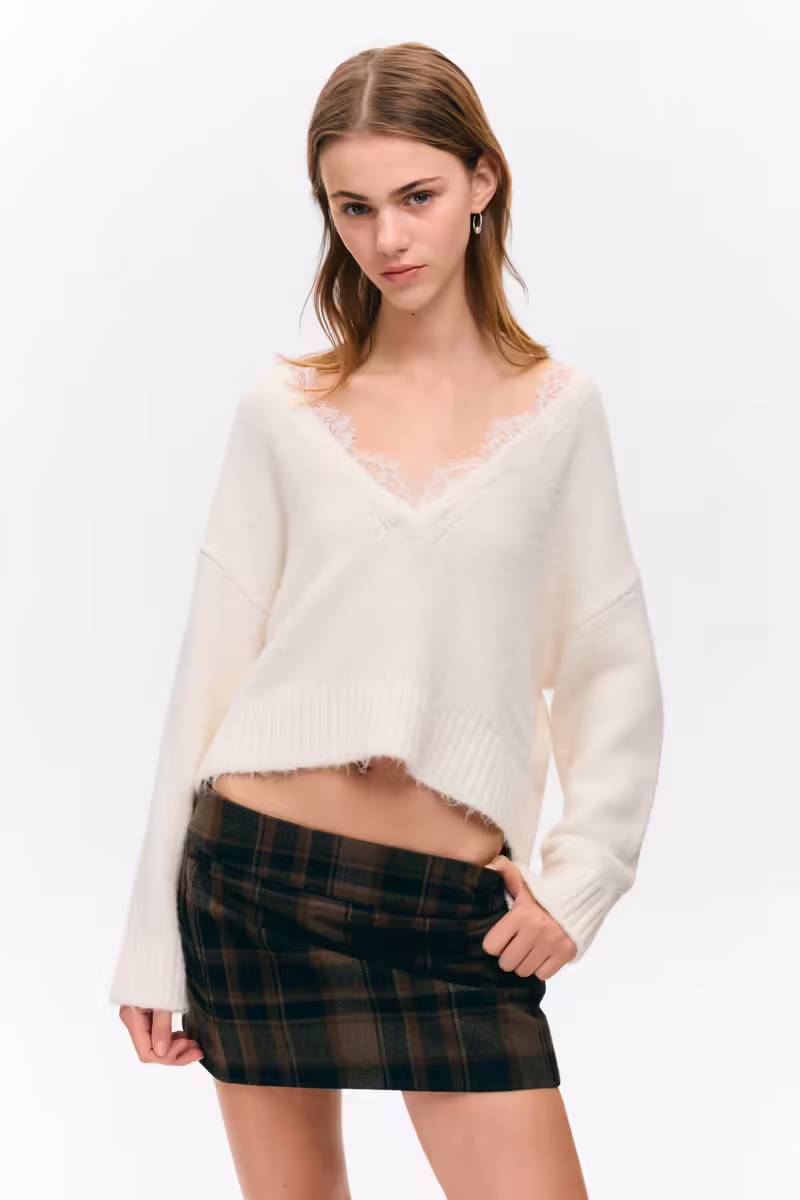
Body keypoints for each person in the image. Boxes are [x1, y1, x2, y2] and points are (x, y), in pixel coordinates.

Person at [110, 40, 664, 1200]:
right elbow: (207, 669)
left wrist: (581, 882)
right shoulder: (283, 412)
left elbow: (609, 665)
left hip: (448, 912)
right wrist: (148, 944)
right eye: (352, 207)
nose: (387, 238)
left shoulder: (558, 415)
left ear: (481, 181)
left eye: (416, 196)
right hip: (254, 881)